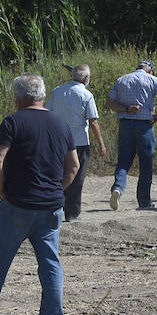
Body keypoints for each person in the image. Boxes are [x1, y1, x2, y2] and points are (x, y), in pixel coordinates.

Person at [0, 75, 80, 315]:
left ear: (18, 97)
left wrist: (2, 192)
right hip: (51, 208)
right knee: (50, 263)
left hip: (18, 205)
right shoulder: (61, 124)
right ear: (42, 95)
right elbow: (74, 165)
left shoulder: (13, 122)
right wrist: (57, 190)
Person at [106, 59, 157, 211]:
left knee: (123, 161)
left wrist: (125, 108)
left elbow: (109, 103)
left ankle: (117, 188)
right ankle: (144, 202)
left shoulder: (122, 79)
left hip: (125, 124)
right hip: (144, 126)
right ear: (150, 70)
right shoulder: (152, 80)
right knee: (146, 164)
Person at [47, 63, 107, 222]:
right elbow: (93, 121)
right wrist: (101, 144)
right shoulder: (86, 95)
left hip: (58, 140)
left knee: (58, 174)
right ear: (86, 78)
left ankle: (55, 209)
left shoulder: (57, 91)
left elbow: (47, 113)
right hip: (79, 141)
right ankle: (72, 213)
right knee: (76, 177)